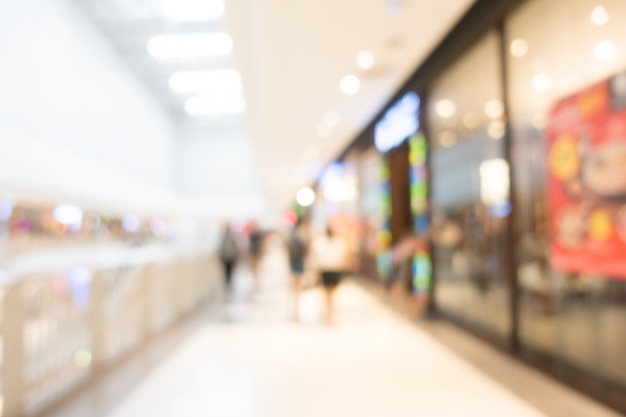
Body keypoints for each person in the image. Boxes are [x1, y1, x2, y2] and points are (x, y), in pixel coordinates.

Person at [312, 226, 348, 324]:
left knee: (327, 295)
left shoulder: (321, 243)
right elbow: (342, 257)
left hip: (326, 270)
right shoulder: (339, 243)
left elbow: (318, 258)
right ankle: (331, 315)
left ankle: (329, 315)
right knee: (333, 294)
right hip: (335, 270)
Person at [287, 217, 310, 321]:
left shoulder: (292, 234)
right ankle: (296, 310)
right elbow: (306, 249)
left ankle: (295, 309)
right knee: (297, 288)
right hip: (299, 263)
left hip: (294, 263)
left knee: (295, 288)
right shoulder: (302, 235)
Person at [219, 224, 239, 290]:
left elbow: (235, 248)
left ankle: (229, 282)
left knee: (230, 270)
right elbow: (221, 248)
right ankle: (227, 282)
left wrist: (236, 256)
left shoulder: (231, 238)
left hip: (231, 257)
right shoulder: (223, 238)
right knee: (226, 270)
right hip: (225, 257)